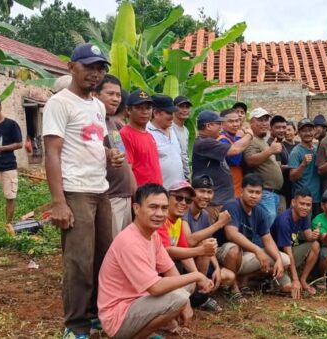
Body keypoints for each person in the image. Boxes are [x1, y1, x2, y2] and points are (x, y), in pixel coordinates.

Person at [42, 43, 124, 338]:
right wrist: (58, 202)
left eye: (100, 68)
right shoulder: (59, 103)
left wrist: (109, 155)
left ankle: (95, 315)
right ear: (71, 67)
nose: (95, 73)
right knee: (78, 262)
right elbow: (52, 152)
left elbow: (97, 142)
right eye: (89, 66)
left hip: (99, 189)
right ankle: (75, 325)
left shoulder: (97, 105)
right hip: (75, 191)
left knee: (104, 256)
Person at [97, 184, 213, 339]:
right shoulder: (130, 241)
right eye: (153, 207)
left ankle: (156, 326)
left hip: (138, 303)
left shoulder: (153, 235)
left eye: (164, 208)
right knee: (179, 296)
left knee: (184, 288)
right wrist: (197, 276)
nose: (159, 213)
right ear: (136, 208)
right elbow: (156, 288)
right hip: (118, 316)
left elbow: (170, 269)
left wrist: (186, 304)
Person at [157, 180, 233, 312]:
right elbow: (167, 251)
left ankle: (199, 297)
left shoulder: (178, 220)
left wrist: (199, 277)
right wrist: (202, 250)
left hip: (170, 267)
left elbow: (185, 251)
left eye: (187, 200)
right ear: (167, 198)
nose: (183, 203)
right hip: (156, 272)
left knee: (199, 279)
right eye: (179, 198)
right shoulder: (161, 219)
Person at [219, 174, 295, 296]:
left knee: (285, 260)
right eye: (251, 191)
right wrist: (257, 250)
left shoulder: (259, 212)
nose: (254, 196)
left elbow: (268, 240)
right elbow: (231, 234)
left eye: (258, 192)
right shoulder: (232, 205)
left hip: (245, 255)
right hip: (224, 255)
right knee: (233, 249)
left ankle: (245, 278)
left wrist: (278, 260)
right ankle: (233, 288)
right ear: (242, 191)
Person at [192, 111, 253, 222]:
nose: (221, 127)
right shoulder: (204, 142)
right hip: (213, 204)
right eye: (218, 124)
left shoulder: (211, 142)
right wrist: (249, 133)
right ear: (209, 126)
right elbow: (236, 149)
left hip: (221, 202)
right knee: (211, 236)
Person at [94, 75, 135, 237]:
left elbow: (123, 156)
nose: (115, 99)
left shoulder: (112, 122)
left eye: (118, 95)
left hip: (124, 194)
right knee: (111, 247)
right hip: (110, 195)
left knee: (124, 246)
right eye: (110, 94)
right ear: (95, 95)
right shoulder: (93, 122)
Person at [271, 189, 321, 298]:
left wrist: (314, 235)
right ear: (293, 203)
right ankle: (273, 281)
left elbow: (308, 236)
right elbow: (288, 253)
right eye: (302, 203)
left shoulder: (303, 215)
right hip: (278, 258)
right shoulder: (284, 221)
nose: (305, 207)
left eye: (308, 205)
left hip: (290, 254)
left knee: (315, 245)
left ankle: (303, 279)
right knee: (289, 287)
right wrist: (295, 280)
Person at [243, 108, 284, 226]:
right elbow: (250, 160)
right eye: (260, 120)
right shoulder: (250, 139)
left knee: (269, 229)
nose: (264, 123)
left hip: (272, 193)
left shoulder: (262, 140)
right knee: (263, 228)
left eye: (266, 120)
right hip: (264, 192)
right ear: (251, 122)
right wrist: (270, 150)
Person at [120, 90, 163, 186]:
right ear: (128, 110)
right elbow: (127, 169)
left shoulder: (149, 135)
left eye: (148, 108)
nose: (145, 112)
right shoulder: (124, 134)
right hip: (142, 194)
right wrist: (137, 195)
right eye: (139, 108)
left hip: (156, 192)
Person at [149, 94, 186, 188]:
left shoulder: (172, 130)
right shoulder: (147, 133)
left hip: (178, 192)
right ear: (156, 113)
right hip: (159, 192)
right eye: (169, 113)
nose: (172, 117)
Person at [289, 118, 322, 216]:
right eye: (304, 131)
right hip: (303, 200)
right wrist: (303, 164)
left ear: (314, 131)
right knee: (304, 230)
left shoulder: (318, 149)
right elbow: (292, 177)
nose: (307, 133)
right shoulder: (296, 152)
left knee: (317, 228)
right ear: (299, 133)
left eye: (310, 130)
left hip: (318, 198)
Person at [217, 109, 246, 196]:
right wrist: (238, 138)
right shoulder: (222, 139)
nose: (235, 124)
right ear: (222, 124)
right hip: (227, 191)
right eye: (231, 121)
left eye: (237, 121)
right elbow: (235, 160)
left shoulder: (232, 137)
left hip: (236, 187)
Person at [267, 115, 292, 211]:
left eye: (284, 127)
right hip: (276, 193)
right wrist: (293, 166)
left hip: (283, 192)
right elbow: (276, 167)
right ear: (271, 129)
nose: (282, 130)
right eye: (278, 128)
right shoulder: (272, 144)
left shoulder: (281, 144)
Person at [172, 95, 192, 180]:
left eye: (187, 107)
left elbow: (184, 154)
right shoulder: (169, 128)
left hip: (182, 174)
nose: (185, 110)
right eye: (181, 107)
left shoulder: (186, 130)